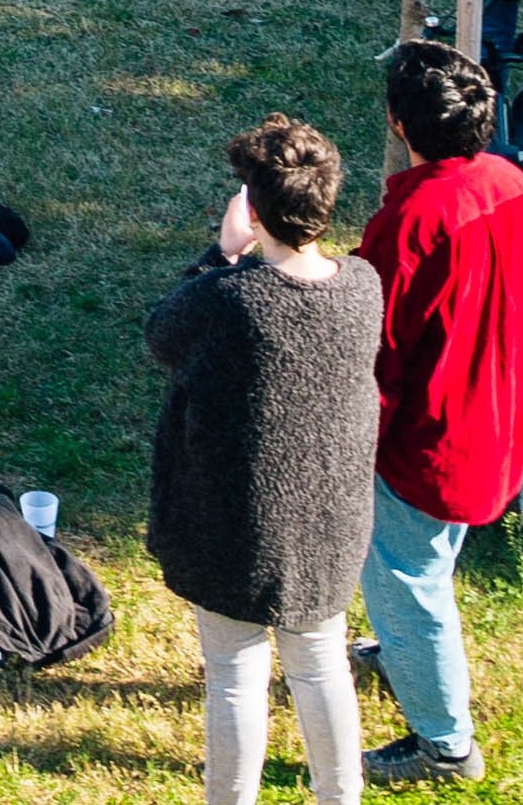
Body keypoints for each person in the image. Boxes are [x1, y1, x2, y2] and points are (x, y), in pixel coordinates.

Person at [146, 115, 383, 805]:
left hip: (232, 526)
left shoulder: (227, 298)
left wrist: (220, 255)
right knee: (320, 668)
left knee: (232, 676)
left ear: (252, 209)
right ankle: (339, 795)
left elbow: (162, 332)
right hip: (329, 522)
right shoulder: (361, 285)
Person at [350, 42, 523, 786]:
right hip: (499, 413)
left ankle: (443, 745)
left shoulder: (410, 219)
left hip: (428, 439)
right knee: (430, 559)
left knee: (406, 578)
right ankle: (401, 651)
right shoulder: (515, 185)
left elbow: (374, 344)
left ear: (399, 123)